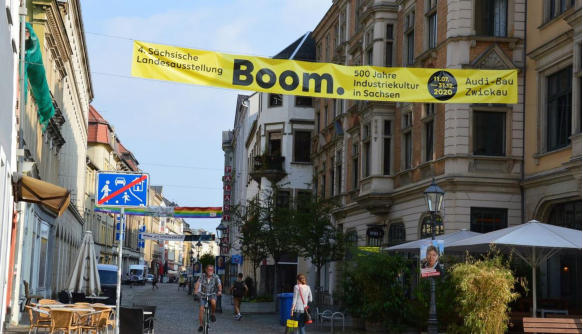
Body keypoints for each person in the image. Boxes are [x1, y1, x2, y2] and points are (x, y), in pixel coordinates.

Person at [194, 265, 222, 332]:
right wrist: (196, 290)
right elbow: (198, 283)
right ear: (206, 270)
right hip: (203, 294)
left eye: (211, 270)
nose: (210, 271)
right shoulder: (202, 276)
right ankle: (201, 325)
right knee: (201, 309)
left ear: (213, 271)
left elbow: (219, 284)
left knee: (213, 302)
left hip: (212, 294)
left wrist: (220, 290)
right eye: (209, 270)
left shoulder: (216, 276)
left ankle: (212, 314)